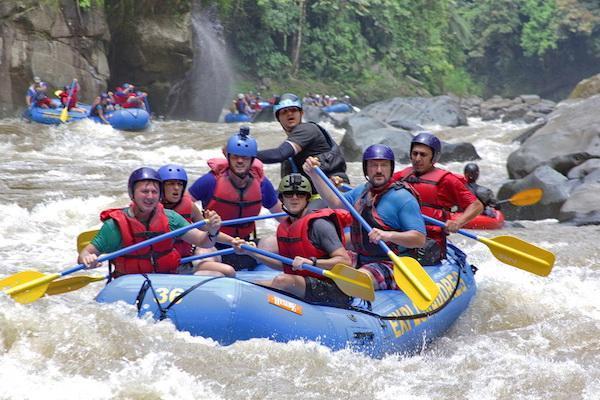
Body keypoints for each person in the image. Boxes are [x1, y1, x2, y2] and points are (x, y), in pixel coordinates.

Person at [304, 145, 427, 291]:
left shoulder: (403, 198)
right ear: (366, 169)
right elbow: (335, 203)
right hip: (361, 257)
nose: (379, 170)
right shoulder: (362, 191)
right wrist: (314, 175)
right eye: (374, 165)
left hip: (392, 263)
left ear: (391, 168)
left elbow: (419, 239)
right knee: (318, 265)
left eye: (384, 165)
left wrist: (388, 235)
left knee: (356, 279)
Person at [78, 167, 223, 278]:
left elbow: (204, 242)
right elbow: (84, 255)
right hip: (131, 284)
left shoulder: (171, 218)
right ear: (132, 194)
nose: (150, 196)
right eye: (144, 191)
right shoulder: (115, 226)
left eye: (154, 192)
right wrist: (87, 259)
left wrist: (212, 230)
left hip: (166, 280)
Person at [236, 174, 353, 306]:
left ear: (308, 198)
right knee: (251, 287)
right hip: (303, 283)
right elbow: (284, 266)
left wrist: (312, 262)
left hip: (333, 288)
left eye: (300, 194)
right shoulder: (284, 228)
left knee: (282, 281)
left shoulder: (319, 224)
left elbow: (345, 261)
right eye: (289, 194)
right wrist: (252, 253)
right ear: (282, 199)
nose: (294, 198)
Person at [187, 127, 283, 273]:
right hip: (215, 245)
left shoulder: (262, 184)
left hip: (246, 246)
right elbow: (184, 206)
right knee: (202, 254)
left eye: (244, 158)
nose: (239, 161)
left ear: (252, 160)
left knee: (278, 242)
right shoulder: (210, 181)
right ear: (229, 158)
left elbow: (282, 215)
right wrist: (200, 225)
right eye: (235, 157)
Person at [392, 132, 483, 262]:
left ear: (434, 158)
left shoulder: (447, 180)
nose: (417, 158)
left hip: (429, 244)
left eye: (423, 155)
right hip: (401, 237)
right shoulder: (401, 176)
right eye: (415, 153)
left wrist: (458, 222)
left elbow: (476, 205)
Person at [255, 92, 348, 189]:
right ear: (278, 118)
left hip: (332, 188)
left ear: (301, 113)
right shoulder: (291, 142)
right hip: (308, 193)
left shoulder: (307, 129)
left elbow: (280, 154)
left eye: (293, 110)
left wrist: (246, 154)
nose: (289, 113)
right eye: (284, 112)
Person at [158, 164, 203, 259]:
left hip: (186, 260)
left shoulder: (190, 206)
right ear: (160, 187)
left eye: (180, 184)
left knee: (227, 270)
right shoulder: (148, 209)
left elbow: (206, 231)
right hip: (160, 263)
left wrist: (213, 226)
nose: (177, 188)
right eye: (171, 183)